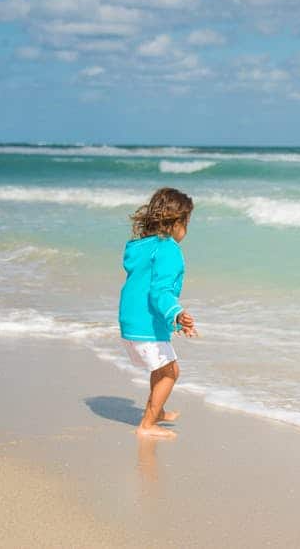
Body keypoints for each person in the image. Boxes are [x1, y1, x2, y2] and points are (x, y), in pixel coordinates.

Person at [118, 187, 196, 439]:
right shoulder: (168, 249)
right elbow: (160, 291)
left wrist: (173, 319)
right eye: (186, 223)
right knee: (171, 372)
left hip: (131, 321)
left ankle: (157, 409)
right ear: (176, 223)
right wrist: (176, 313)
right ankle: (148, 423)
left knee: (160, 368)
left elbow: (145, 286)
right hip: (147, 324)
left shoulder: (140, 246)